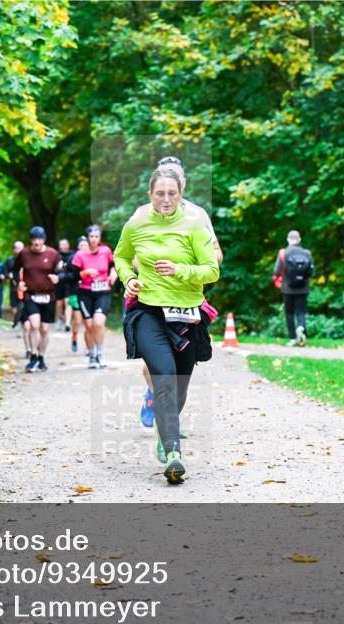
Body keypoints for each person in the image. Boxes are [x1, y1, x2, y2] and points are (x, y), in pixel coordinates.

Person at [114, 167, 219, 484]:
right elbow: (121, 256)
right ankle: (173, 453)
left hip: (186, 313)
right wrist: (129, 279)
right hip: (148, 311)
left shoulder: (194, 224)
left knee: (180, 386)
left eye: (172, 193)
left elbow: (211, 270)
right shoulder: (137, 223)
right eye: (160, 193)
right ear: (150, 194)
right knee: (163, 375)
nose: (166, 199)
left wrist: (180, 269)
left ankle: (164, 430)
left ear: (181, 193)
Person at [136, 156, 223, 429]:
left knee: (181, 363)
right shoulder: (143, 214)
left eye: (175, 177)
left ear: (182, 183)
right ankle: (154, 395)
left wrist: (184, 268)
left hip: (185, 296)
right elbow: (131, 256)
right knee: (156, 361)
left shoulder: (198, 216)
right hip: (152, 295)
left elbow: (216, 256)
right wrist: (147, 269)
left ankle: (167, 416)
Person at [17, 226, 63, 372]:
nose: (36, 242)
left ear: (44, 240)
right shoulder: (24, 254)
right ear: (31, 240)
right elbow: (13, 270)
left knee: (44, 329)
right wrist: (18, 282)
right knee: (34, 325)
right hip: (31, 295)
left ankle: (41, 357)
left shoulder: (53, 254)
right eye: (34, 239)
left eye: (39, 239)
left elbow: (63, 271)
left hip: (48, 296)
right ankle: (33, 356)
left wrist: (58, 277)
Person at [72, 225, 117, 369]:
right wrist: (84, 273)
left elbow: (113, 266)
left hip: (103, 291)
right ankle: (91, 356)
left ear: (100, 238)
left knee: (98, 323)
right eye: (91, 236)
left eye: (96, 237)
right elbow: (73, 275)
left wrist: (113, 274)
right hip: (85, 293)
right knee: (89, 327)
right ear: (87, 237)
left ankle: (100, 354)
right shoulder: (80, 255)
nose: (94, 239)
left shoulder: (106, 251)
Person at [272, 230, 314, 346]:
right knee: (301, 312)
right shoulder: (307, 253)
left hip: (287, 288)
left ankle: (292, 339)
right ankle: (301, 327)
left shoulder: (283, 253)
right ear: (299, 239)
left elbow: (276, 270)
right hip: (303, 288)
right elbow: (311, 271)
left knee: (289, 313)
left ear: (288, 239)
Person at [67, 236, 92, 354]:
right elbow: (67, 275)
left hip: (89, 293)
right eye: (81, 245)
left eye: (86, 245)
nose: (83, 248)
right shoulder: (72, 259)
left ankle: (88, 347)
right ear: (78, 247)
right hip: (75, 293)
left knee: (88, 323)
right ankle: (74, 337)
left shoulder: (93, 258)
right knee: (77, 320)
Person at [54, 238, 75, 332]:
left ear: (68, 245)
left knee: (67, 302)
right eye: (61, 244)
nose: (63, 246)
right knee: (59, 303)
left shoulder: (73, 255)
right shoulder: (56, 255)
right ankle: (58, 320)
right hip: (58, 282)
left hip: (69, 282)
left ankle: (67, 323)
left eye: (65, 244)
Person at [4, 241, 24, 324]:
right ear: (14, 249)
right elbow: (5, 273)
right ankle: (18, 320)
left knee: (24, 305)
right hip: (14, 287)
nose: (19, 250)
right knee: (14, 306)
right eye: (17, 248)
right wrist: (9, 276)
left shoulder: (28, 259)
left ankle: (23, 321)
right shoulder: (9, 260)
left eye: (21, 248)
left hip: (25, 287)